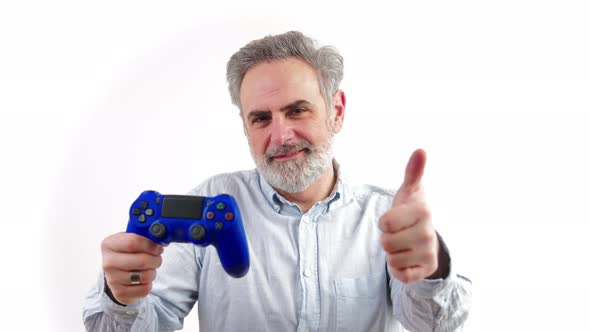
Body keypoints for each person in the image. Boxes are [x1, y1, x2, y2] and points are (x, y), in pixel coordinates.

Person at [83, 30, 471, 331]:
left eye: (297, 110)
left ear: (335, 111)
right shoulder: (211, 201)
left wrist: (430, 266)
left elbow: (439, 324)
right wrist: (121, 297)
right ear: (245, 126)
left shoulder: (386, 217)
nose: (281, 136)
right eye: (261, 118)